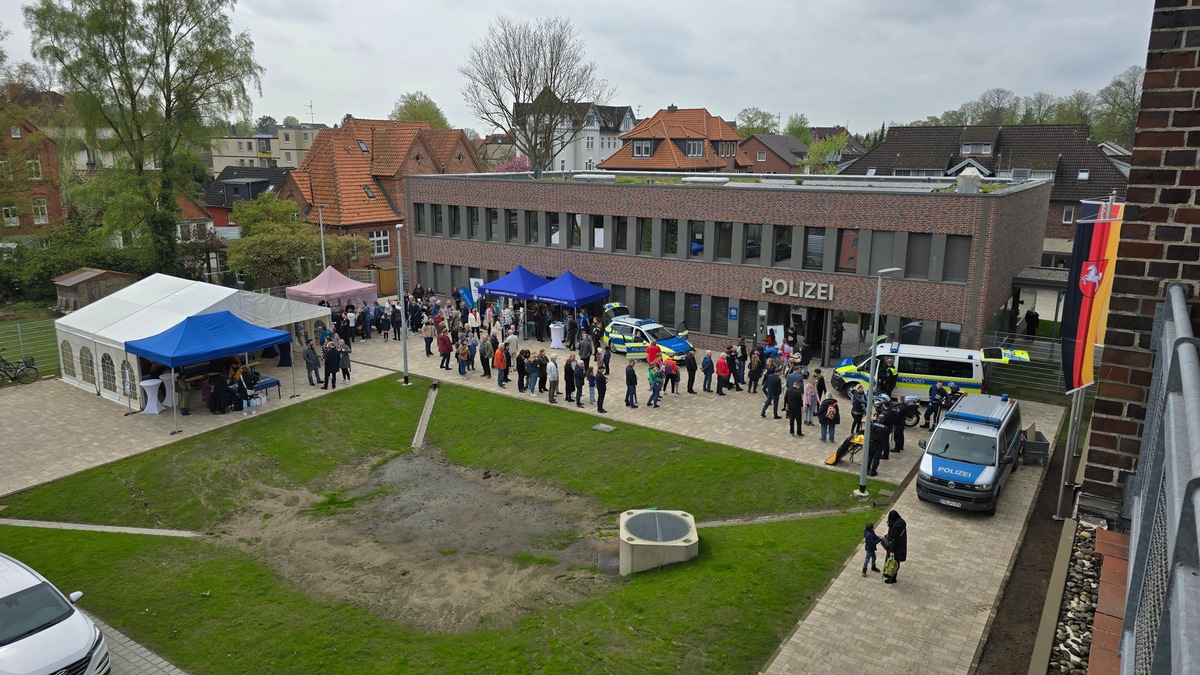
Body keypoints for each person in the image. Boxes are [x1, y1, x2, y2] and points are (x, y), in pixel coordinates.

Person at [882, 510, 908, 584]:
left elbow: (895, 540)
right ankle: (888, 573)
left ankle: (892, 577)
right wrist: (885, 536)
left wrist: (892, 551)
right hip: (898, 546)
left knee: (893, 562)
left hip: (896, 548)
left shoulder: (896, 527)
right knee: (892, 561)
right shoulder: (900, 522)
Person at [867, 413, 889, 477]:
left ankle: (867, 470)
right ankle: (873, 471)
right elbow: (886, 437)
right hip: (879, 444)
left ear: (877, 418)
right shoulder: (885, 428)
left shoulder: (872, 425)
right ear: (884, 420)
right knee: (876, 459)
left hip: (871, 443)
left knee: (869, 457)